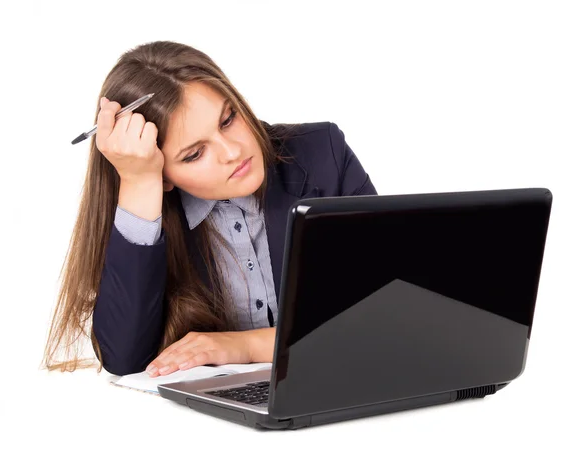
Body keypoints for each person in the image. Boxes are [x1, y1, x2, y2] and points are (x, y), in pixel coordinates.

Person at [42, 40, 377, 378]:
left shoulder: (324, 154)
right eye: (194, 154)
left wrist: (242, 347)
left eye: (228, 119)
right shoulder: (153, 203)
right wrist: (139, 184)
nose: (232, 151)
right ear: (163, 173)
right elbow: (123, 358)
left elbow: (385, 308)